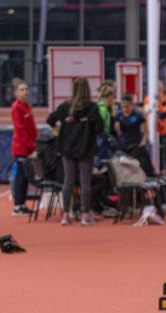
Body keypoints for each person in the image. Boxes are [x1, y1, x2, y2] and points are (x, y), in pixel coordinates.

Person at [46, 77, 104, 226]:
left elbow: (50, 119)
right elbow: (99, 128)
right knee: (85, 183)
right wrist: (86, 125)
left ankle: (66, 215)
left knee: (68, 182)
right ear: (88, 89)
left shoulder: (65, 107)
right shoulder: (92, 107)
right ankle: (85, 215)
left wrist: (58, 129)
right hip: (85, 148)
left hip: (68, 148)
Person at [10, 80, 38, 217]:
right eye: (22, 90)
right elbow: (21, 129)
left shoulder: (27, 106)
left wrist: (35, 141)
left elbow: (31, 127)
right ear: (16, 92)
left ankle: (22, 204)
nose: (25, 92)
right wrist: (31, 146)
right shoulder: (17, 107)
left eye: (26, 89)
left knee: (26, 176)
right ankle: (17, 206)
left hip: (28, 146)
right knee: (21, 176)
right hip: (21, 146)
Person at [115, 93, 155, 176]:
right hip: (124, 144)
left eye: (127, 107)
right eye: (123, 107)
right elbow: (116, 130)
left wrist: (144, 141)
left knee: (143, 162)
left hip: (136, 144)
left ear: (132, 105)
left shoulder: (138, 115)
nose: (125, 109)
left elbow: (146, 131)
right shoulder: (119, 115)